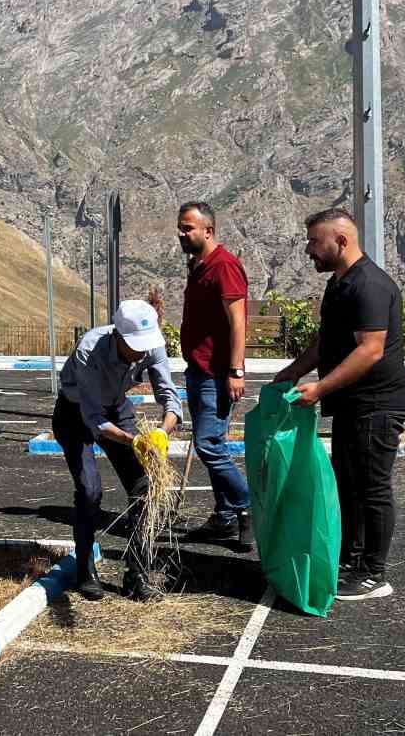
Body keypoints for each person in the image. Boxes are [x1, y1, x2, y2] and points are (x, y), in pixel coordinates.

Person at [272, 209, 405, 601]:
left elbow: (370, 350)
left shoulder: (368, 285)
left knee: (372, 487)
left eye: (315, 242)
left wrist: (319, 389)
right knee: (347, 484)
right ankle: (349, 561)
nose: (308, 250)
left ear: (341, 241)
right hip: (352, 403)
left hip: (377, 404)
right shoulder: (339, 284)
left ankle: (373, 573)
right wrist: (293, 371)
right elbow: (328, 341)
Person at [54, 299, 183, 601]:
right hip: (76, 414)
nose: (142, 352)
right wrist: (133, 440)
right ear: (119, 336)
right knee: (89, 491)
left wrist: (162, 432)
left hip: (117, 407)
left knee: (144, 484)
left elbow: (169, 395)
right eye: (134, 345)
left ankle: (137, 573)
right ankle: (85, 568)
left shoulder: (152, 346)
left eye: (146, 345)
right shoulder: (90, 350)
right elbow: (93, 419)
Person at [175, 201, 253, 548]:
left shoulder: (224, 266)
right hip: (198, 369)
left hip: (216, 373)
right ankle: (224, 518)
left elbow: (238, 320)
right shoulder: (198, 265)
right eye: (180, 227)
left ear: (208, 230)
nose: (182, 233)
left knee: (209, 446)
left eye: (188, 227)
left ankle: (248, 504)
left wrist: (235, 370)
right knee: (213, 444)